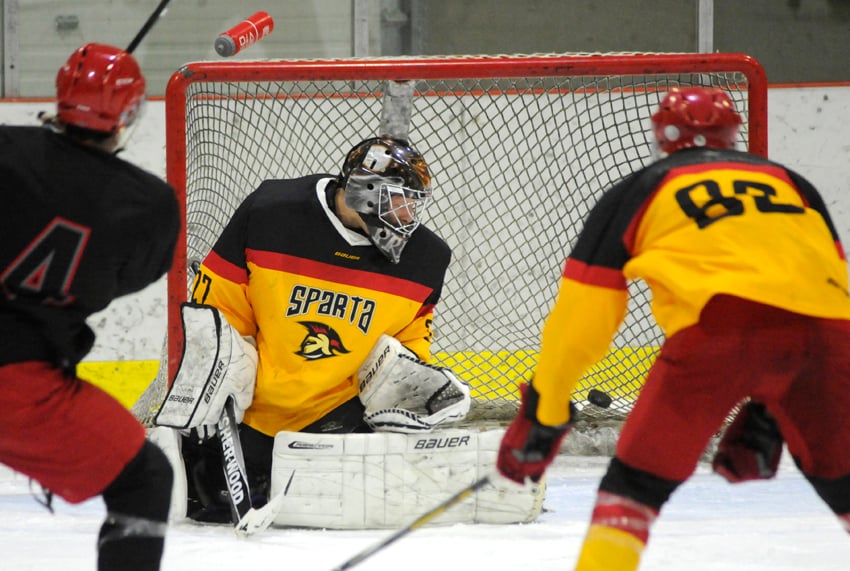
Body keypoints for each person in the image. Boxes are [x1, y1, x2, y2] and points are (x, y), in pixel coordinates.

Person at [496, 86, 850, 570]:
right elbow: (827, 288)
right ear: (733, 133)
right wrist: (774, 406)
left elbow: (583, 320)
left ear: (663, 135)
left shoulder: (642, 188)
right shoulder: (793, 183)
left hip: (715, 334)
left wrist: (546, 408)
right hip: (832, 340)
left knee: (632, 491)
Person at [170, 136, 453, 523]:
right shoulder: (272, 212)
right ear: (365, 192)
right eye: (399, 198)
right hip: (252, 415)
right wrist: (215, 379)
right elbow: (219, 310)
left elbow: (409, 342)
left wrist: (412, 384)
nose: (408, 213)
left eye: (413, 202)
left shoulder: (426, 258)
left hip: (340, 422)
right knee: (207, 503)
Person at [0, 44, 180, 570]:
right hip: (19, 385)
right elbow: (132, 276)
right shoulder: (147, 202)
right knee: (144, 478)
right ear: (128, 116)